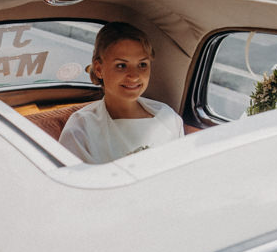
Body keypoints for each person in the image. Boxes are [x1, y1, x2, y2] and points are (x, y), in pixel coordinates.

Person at [60, 22, 184, 163]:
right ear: (99, 69)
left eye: (142, 64)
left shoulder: (168, 117)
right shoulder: (81, 129)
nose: (134, 76)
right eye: (121, 65)